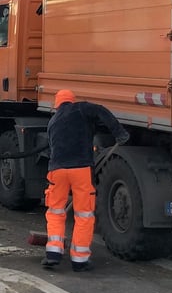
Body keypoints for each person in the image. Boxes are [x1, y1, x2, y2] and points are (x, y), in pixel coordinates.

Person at [42, 89, 129, 272]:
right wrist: (119, 133)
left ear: (57, 104)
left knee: (55, 212)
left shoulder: (53, 121)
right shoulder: (81, 109)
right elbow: (101, 111)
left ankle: (53, 253)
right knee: (83, 214)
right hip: (80, 170)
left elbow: (51, 149)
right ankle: (79, 260)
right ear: (72, 101)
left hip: (57, 170)